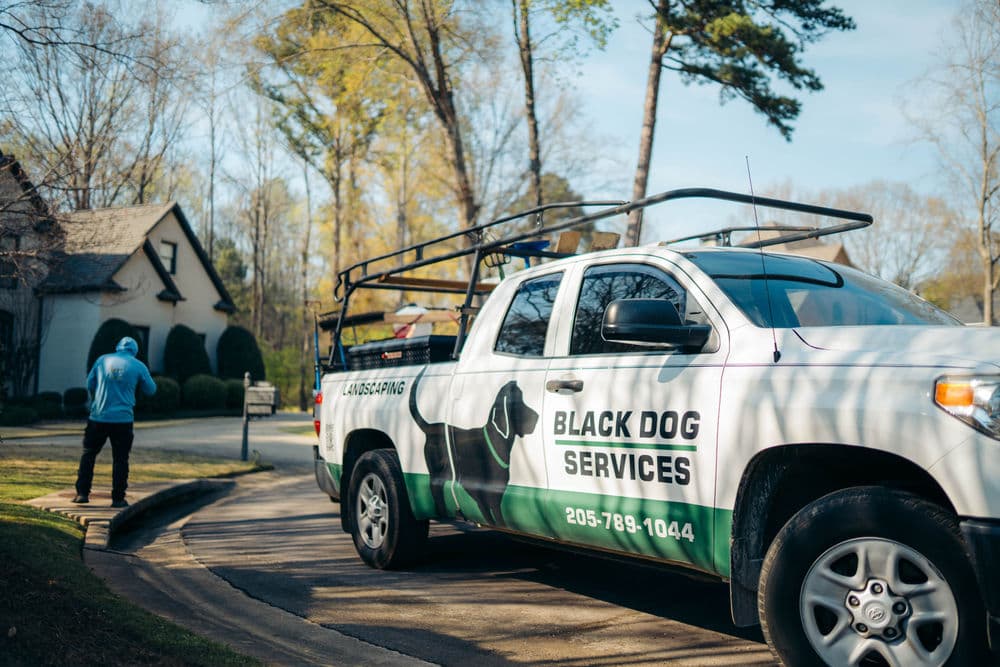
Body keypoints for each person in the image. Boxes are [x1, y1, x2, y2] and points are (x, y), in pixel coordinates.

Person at [73, 336, 156, 508]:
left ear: (117, 348)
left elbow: (90, 383)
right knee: (120, 459)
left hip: (98, 417)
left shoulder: (102, 360)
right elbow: (151, 390)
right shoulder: (138, 366)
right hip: (123, 419)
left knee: (89, 453)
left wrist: (98, 397)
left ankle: (82, 493)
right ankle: (118, 498)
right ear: (134, 351)